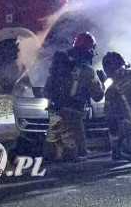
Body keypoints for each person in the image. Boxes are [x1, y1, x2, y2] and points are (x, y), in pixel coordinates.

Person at [42, 31, 105, 162]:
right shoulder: (88, 70)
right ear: (90, 50)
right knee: (78, 154)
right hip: (73, 118)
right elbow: (98, 96)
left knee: (52, 151)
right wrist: (102, 81)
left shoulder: (61, 65)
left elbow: (47, 91)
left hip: (55, 115)